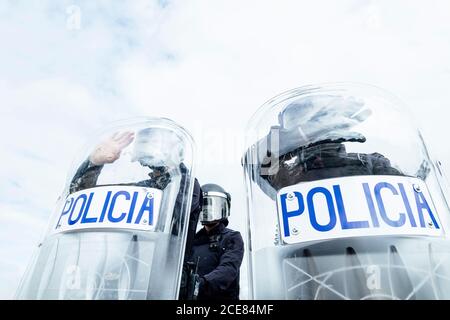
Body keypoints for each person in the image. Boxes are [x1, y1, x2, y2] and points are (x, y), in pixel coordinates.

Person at [69, 129, 203, 297]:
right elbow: (81, 197)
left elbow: (179, 208)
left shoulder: (186, 186)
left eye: (155, 143)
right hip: (125, 283)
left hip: (164, 287)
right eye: (146, 144)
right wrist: (94, 163)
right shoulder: (144, 187)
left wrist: (172, 162)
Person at [185, 184, 244, 300]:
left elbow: (228, 269)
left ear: (224, 208)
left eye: (214, 206)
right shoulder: (192, 241)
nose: (208, 211)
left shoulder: (231, 238)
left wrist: (199, 285)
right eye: (205, 206)